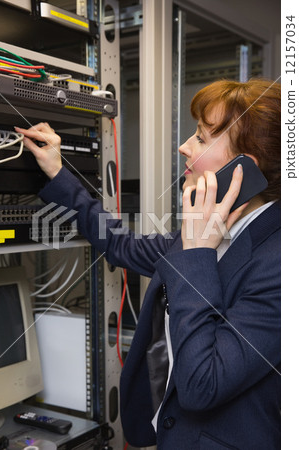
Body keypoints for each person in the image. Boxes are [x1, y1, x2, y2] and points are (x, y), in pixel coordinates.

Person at [15, 78, 281, 449]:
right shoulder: (201, 232)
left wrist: (197, 254)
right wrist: (59, 172)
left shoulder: (280, 262)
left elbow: (204, 385)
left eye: (202, 138)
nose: (184, 146)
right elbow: (121, 244)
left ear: (242, 171)